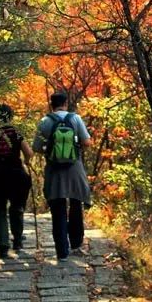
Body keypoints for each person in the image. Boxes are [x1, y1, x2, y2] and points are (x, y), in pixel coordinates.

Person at [33, 92, 93, 261]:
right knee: (75, 205)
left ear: (51, 105)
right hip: (75, 169)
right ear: (66, 103)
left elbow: (36, 147)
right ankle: (76, 244)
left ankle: (62, 251)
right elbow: (87, 142)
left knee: (58, 209)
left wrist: (51, 149)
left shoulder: (45, 122)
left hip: (54, 170)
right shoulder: (75, 119)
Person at [0, 104, 33, 258]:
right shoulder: (16, 133)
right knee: (17, 207)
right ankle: (17, 239)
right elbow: (29, 152)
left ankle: (3, 244)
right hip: (16, 174)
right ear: (11, 117)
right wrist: (26, 162)